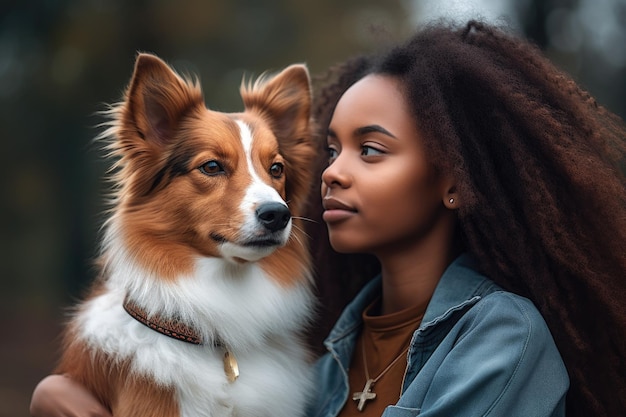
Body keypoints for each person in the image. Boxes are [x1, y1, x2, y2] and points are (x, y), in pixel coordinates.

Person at [31, 20, 626, 417]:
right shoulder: (334, 341)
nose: (331, 175)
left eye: (371, 150)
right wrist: (58, 392)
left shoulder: (502, 335)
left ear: (453, 182)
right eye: (333, 150)